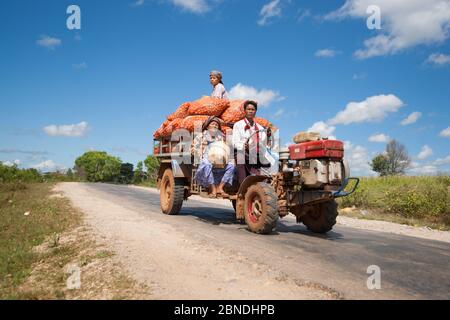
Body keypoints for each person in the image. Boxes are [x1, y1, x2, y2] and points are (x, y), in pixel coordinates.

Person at [232, 100, 276, 183]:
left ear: (255, 111)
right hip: (242, 151)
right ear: (244, 111)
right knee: (241, 158)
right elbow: (235, 142)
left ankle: (266, 182)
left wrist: (267, 137)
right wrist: (244, 146)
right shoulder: (238, 125)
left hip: (256, 152)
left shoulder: (260, 128)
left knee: (272, 160)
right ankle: (242, 187)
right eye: (248, 109)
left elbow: (263, 144)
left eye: (253, 109)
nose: (250, 111)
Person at [191, 116, 235, 197]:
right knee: (206, 164)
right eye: (213, 124)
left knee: (231, 165)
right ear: (207, 126)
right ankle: (213, 189)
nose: (215, 126)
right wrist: (199, 154)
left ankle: (220, 187)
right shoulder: (201, 135)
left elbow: (226, 148)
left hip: (218, 159)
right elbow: (193, 148)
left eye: (216, 125)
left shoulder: (221, 136)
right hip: (205, 158)